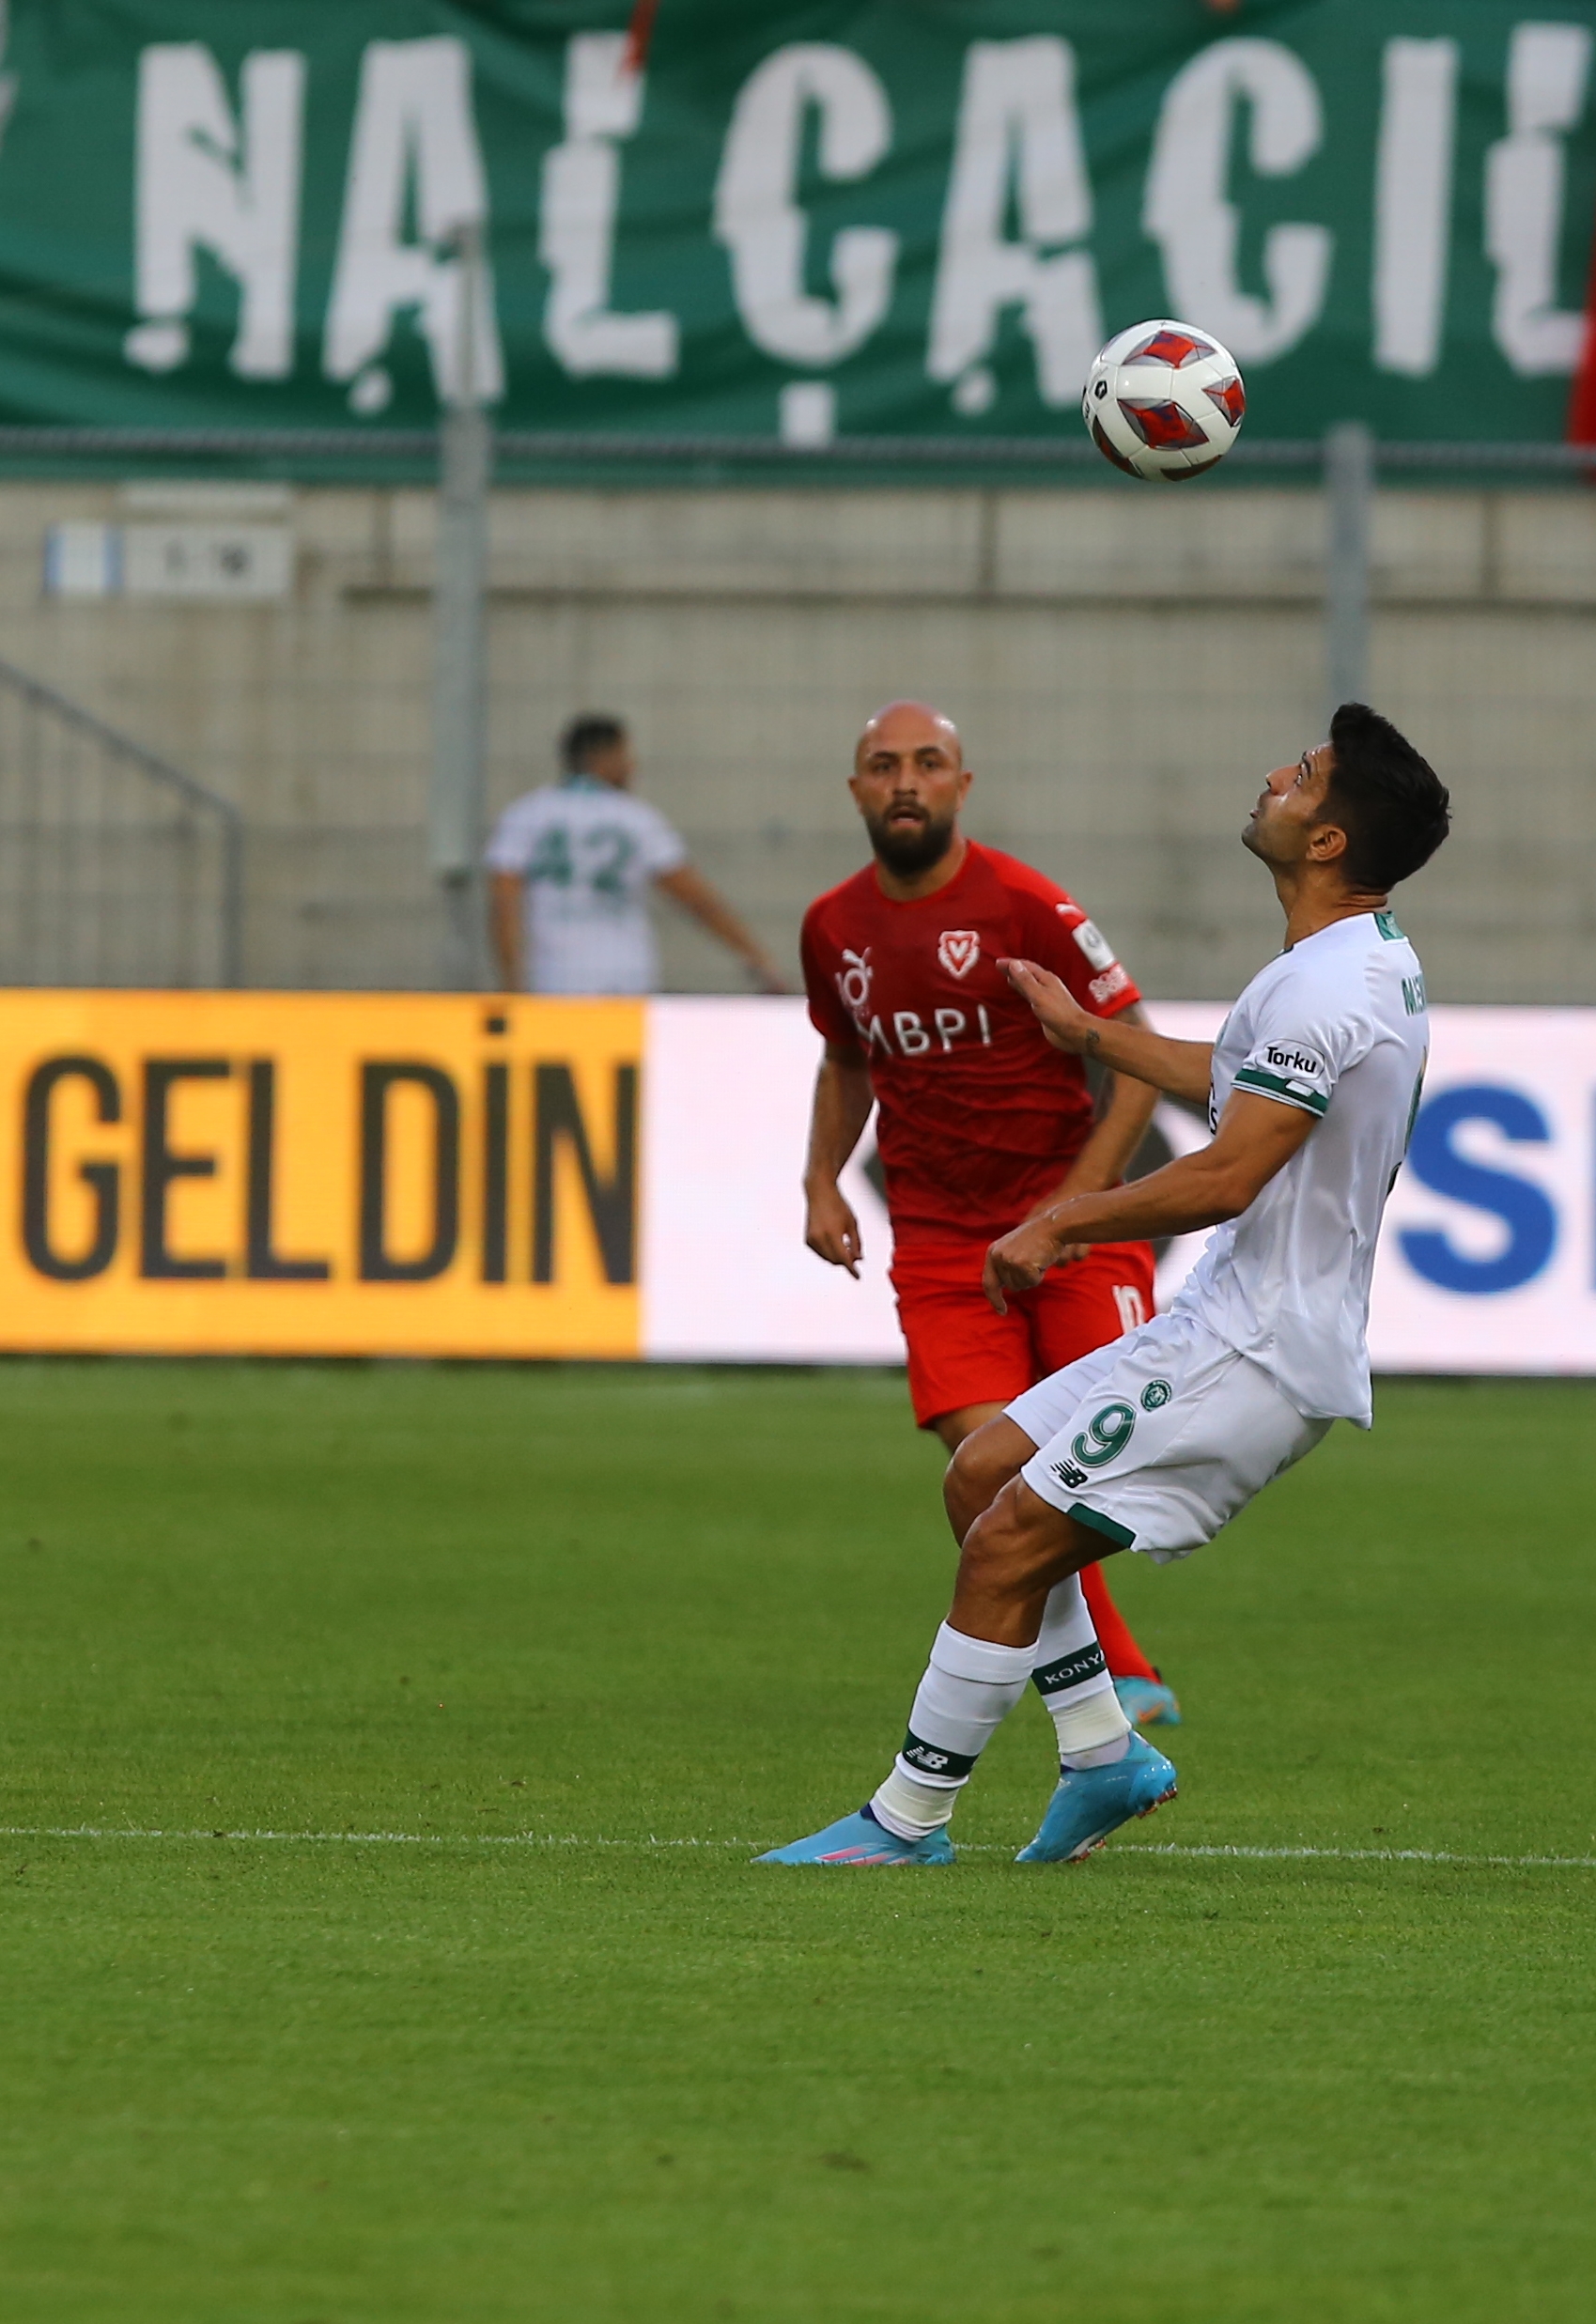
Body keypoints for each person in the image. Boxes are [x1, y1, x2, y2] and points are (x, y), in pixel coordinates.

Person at [764, 704, 1450, 1866]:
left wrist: (1068, 1214)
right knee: (983, 1479)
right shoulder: (1335, 966)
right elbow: (1230, 1078)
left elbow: (1230, 1171)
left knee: (1006, 1545)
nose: (1273, 778)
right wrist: (1087, 1033)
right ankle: (1101, 1751)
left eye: (1301, 775)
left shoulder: (1331, 987)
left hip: (1257, 1349)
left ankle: (906, 1821)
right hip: (1219, 1320)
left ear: (1328, 840)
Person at [797, 701, 1180, 1735]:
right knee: (997, 1471)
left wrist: (1078, 1206)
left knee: (1098, 1462)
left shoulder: (1023, 904)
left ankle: (1103, 1689)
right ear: (857, 790)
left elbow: (1134, 1053)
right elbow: (844, 1059)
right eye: (884, 765)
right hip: (939, 1241)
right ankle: (1118, 1687)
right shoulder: (833, 926)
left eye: (929, 763)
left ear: (964, 784)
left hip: (1066, 1229)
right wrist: (821, 1180)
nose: (906, 781)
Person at [486, 713, 784, 995]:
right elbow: (697, 899)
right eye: (625, 756)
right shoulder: (636, 818)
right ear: (605, 757)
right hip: (624, 976)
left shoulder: (525, 814)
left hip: (554, 977)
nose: (631, 766)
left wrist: (511, 980)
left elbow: (504, 903)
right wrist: (757, 959)